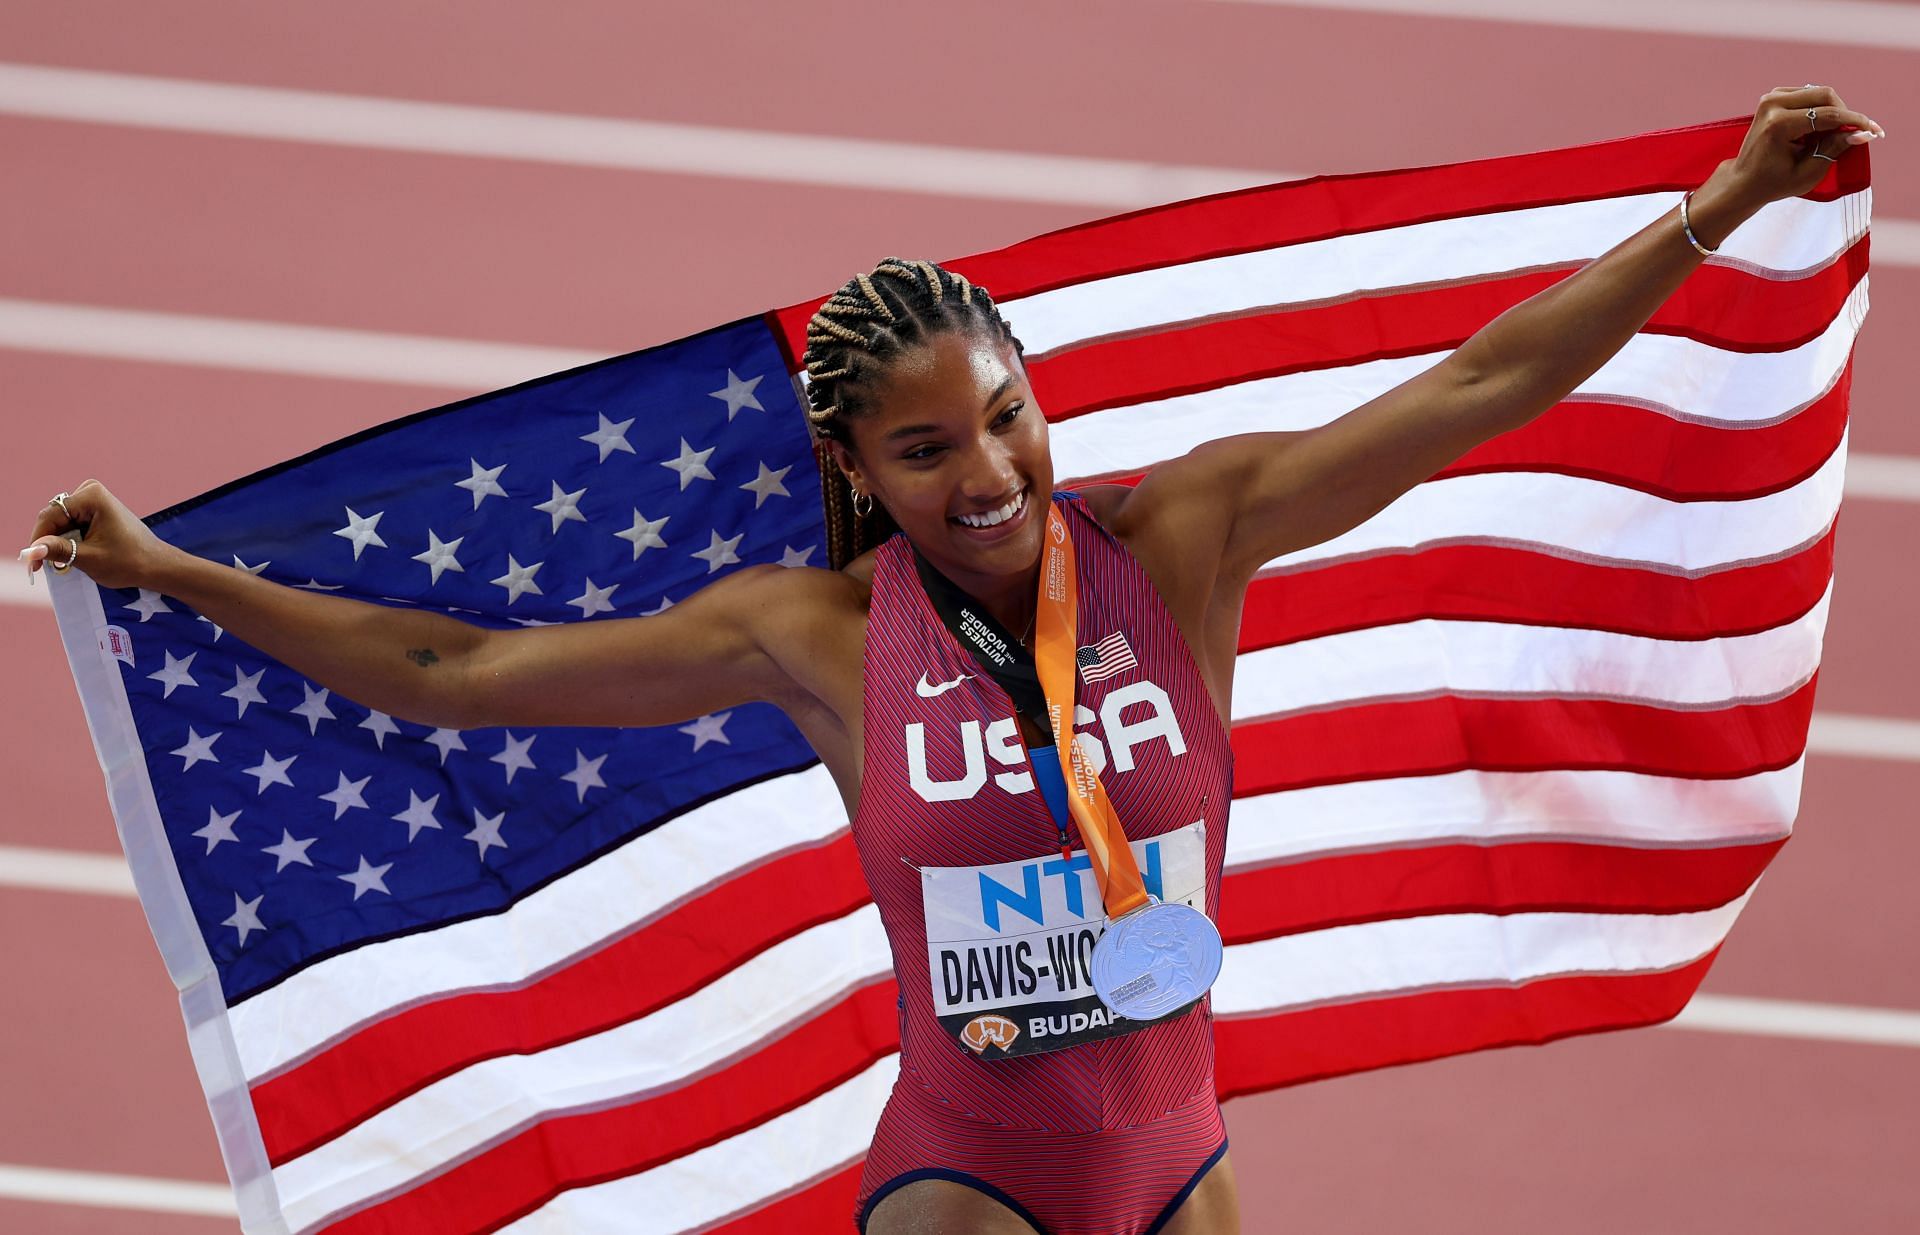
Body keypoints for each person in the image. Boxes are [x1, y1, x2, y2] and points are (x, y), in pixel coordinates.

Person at [19, 88, 1882, 1234]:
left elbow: (1481, 386)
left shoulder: (1181, 542)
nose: (987, 475)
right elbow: (448, 666)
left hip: (1185, 1170)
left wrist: (1719, 211)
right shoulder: (814, 636)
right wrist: (180, 571)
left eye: (1004, 421)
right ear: (858, 470)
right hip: (969, 1189)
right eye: (928, 451)